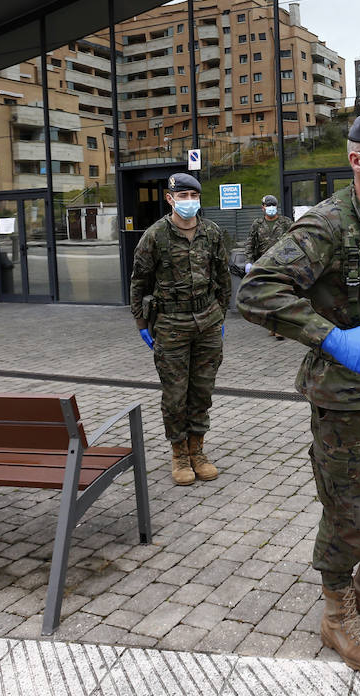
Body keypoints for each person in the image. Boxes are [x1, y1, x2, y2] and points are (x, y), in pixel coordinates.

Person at [236, 110, 360, 674]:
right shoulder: (328, 224)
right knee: (349, 517)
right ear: (357, 160)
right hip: (346, 398)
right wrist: (332, 338)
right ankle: (337, 614)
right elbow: (257, 290)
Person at [129, 172, 231, 486]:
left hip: (207, 322)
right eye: (183, 196)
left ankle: (197, 450)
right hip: (171, 325)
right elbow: (138, 282)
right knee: (175, 395)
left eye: (193, 196)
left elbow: (223, 276)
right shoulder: (155, 236)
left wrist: (221, 316)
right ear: (170, 199)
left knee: (202, 391)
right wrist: (142, 323)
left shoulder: (211, 232)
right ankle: (179, 454)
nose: (189, 202)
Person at [248, 194, 293, 336]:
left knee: (281, 295)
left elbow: (294, 240)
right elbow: (250, 243)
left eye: (273, 205)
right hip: (264, 265)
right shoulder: (257, 224)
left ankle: (280, 327)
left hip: (282, 265)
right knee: (267, 297)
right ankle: (272, 325)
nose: (271, 208)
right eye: (268, 206)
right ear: (263, 208)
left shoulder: (286, 222)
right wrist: (249, 261)